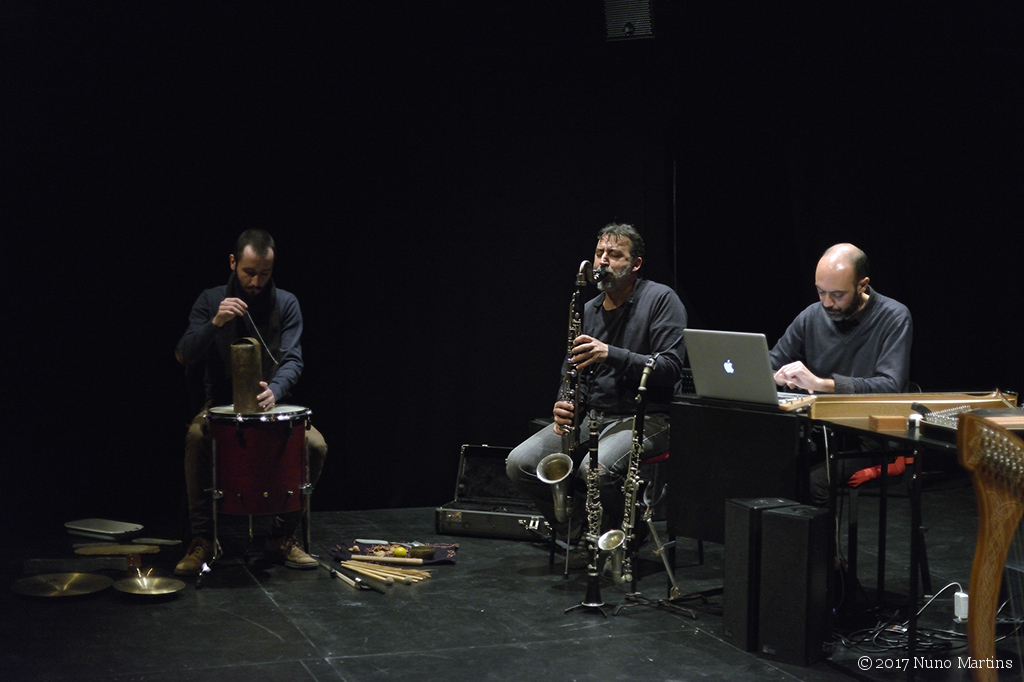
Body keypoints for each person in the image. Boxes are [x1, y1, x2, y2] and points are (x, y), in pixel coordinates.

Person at [506, 223, 688, 544]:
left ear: (636, 264)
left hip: (649, 417)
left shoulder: (660, 299)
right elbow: (572, 369)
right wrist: (566, 401)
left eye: (614, 254)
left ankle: (624, 539)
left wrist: (611, 354)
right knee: (520, 463)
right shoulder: (588, 309)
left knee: (596, 470)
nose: (603, 261)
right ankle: (581, 534)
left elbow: (670, 367)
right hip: (594, 418)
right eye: (599, 252)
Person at [173, 229, 327, 575]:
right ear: (233, 262)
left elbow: (293, 359)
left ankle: (281, 537)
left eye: (265, 273)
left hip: (270, 404)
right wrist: (216, 322)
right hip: (220, 405)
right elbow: (184, 355)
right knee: (196, 438)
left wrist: (275, 390)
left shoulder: (286, 303)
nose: (256, 282)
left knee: (315, 445)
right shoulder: (211, 300)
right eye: (249, 272)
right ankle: (203, 539)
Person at [770, 243, 913, 504]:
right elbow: (771, 363)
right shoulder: (810, 316)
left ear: (862, 285)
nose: (827, 302)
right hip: (819, 432)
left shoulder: (894, 316)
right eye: (821, 292)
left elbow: (890, 386)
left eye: (837, 295)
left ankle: (820, 534)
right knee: (768, 469)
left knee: (812, 484)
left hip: (870, 437)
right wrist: (776, 376)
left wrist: (820, 384)